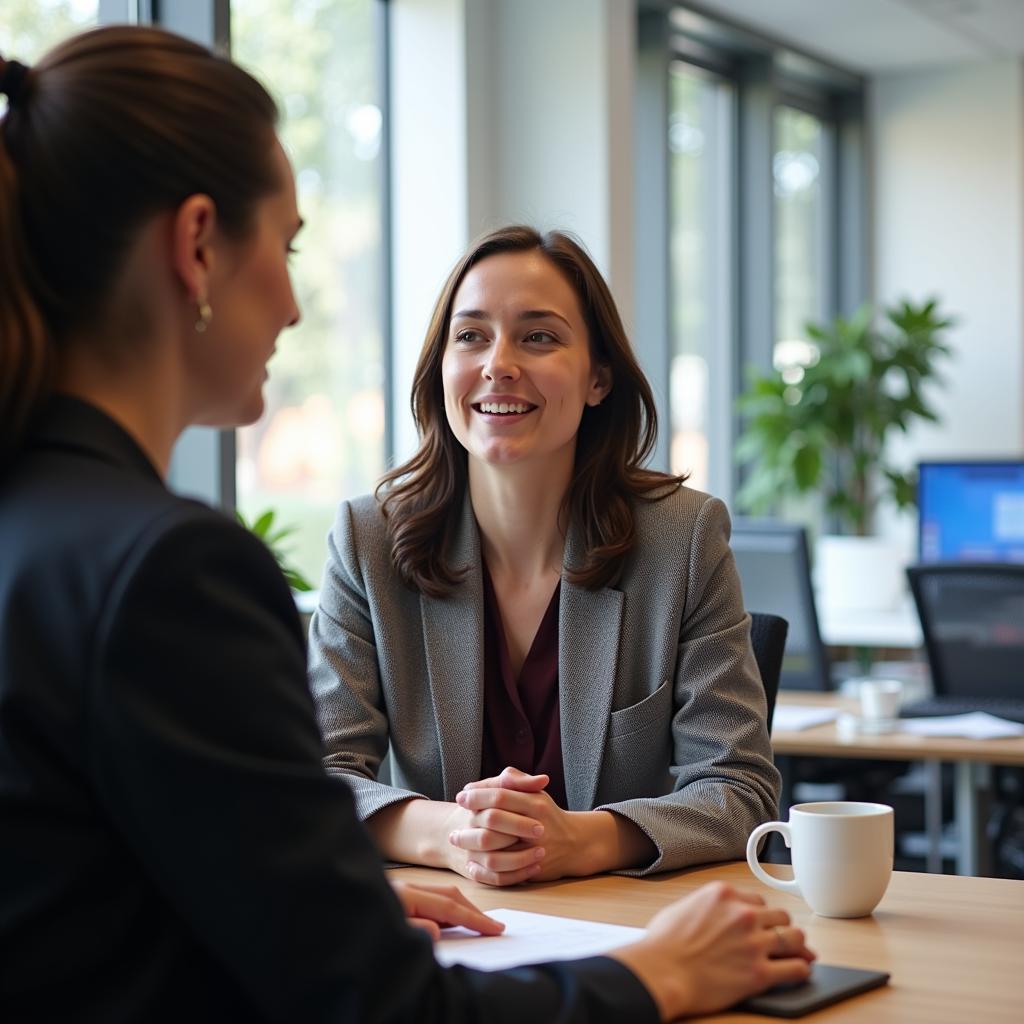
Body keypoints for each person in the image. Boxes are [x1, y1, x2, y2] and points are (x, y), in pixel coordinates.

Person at [0, 27, 813, 1023]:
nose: (298, 306)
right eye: (288, 248)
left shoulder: (36, 522)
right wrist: (660, 973)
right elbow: (376, 998)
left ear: (599, 378)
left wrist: (329, 904)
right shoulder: (173, 566)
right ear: (199, 245)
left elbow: (129, 896)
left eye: (540, 337)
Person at [309, 226, 781, 887]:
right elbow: (318, 776)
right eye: (471, 336)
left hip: (630, 932)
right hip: (445, 928)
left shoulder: (684, 538)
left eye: (538, 336)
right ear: (441, 368)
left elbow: (739, 789)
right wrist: (452, 834)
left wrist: (579, 841)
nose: (498, 362)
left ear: (598, 379)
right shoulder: (368, 540)